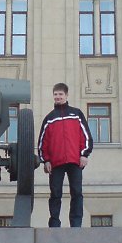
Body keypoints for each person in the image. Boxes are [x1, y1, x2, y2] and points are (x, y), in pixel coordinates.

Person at [38, 83, 93, 227]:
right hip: (55, 163)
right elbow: (43, 142)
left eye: (60, 94)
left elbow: (86, 136)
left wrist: (84, 154)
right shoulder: (49, 118)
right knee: (55, 194)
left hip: (75, 161)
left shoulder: (77, 114)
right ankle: (54, 224)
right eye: (55, 94)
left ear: (66, 95)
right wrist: (46, 160)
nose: (58, 97)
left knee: (77, 192)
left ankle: (76, 225)